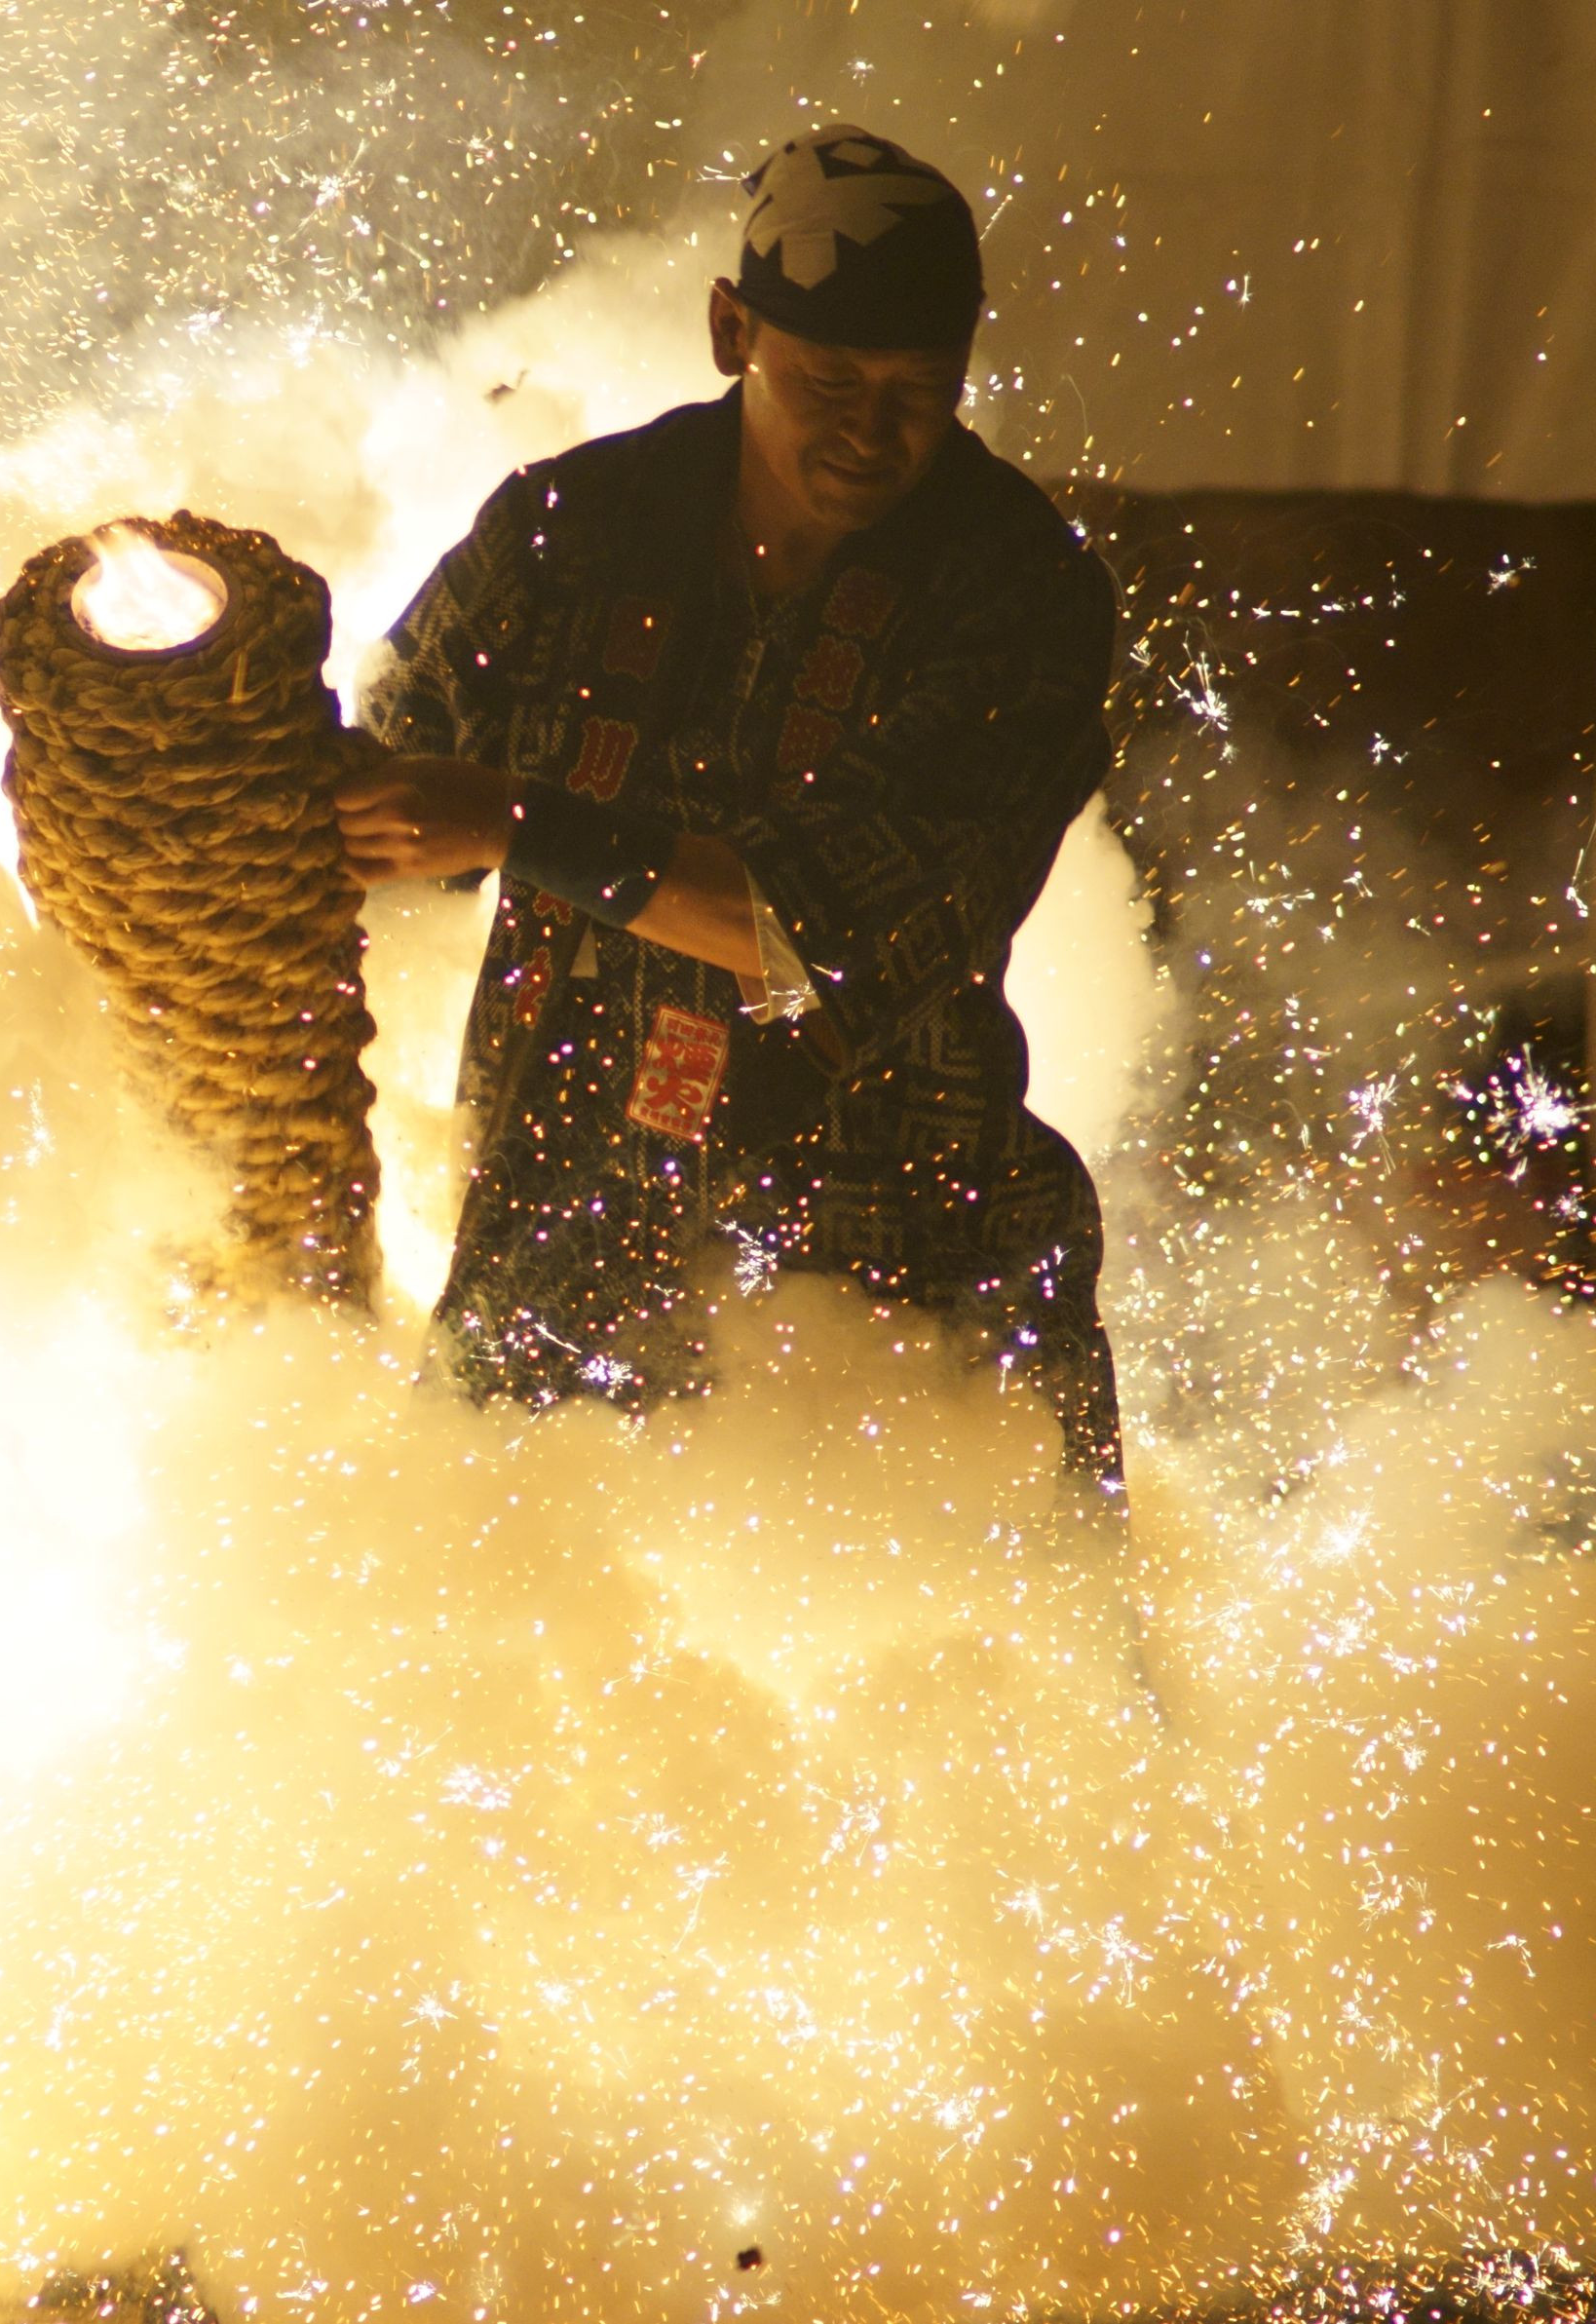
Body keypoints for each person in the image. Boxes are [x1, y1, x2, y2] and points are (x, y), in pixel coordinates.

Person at [340, 123, 1123, 1482]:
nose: (871, 429)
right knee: (482, 1603)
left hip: (893, 1278)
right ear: (729, 331)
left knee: (910, 1616)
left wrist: (515, 820)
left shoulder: (1018, 594)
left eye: (919, 390)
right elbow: (384, 795)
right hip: (560, 1239)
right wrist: (181, 767)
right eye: (828, 380)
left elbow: (807, 936)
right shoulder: (565, 530)